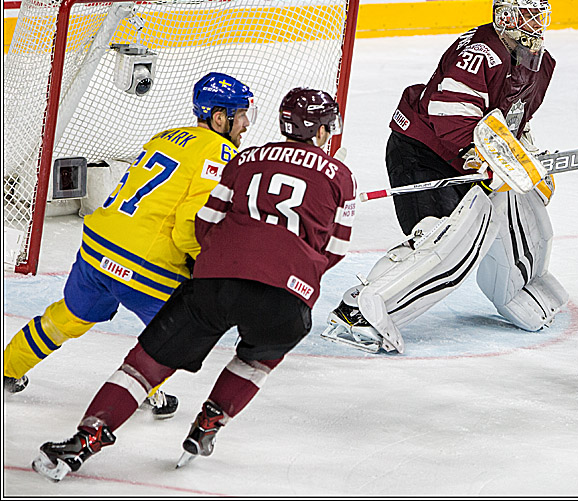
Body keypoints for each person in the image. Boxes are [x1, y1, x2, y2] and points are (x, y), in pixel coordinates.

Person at [31, 87, 357, 481]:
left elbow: (206, 222)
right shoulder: (341, 177)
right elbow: (335, 251)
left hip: (215, 281)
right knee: (259, 355)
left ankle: (86, 439)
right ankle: (210, 420)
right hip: (286, 294)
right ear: (322, 131)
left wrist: (227, 259)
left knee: (144, 366)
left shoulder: (246, 158)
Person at [321, 0, 567, 354]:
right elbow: (449, 115)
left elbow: (515, 121)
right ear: (503, 17)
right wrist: (483, 157)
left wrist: (522, 159)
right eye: (526, 17)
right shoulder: (480, 53)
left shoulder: (540, 64)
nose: (535, 25)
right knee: (438, 239)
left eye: (539, 17)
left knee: (501, 220)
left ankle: (521, 288)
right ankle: (359, 309)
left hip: (467, 161)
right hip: (421, 153)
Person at [3, 72, 254, 420]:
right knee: (171, 337)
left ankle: (7, 367)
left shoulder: (164, 136)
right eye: (241, 115)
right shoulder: (221, 151)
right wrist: (204, 265)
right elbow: (187, 226)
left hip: (98, 245)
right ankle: (145, 389)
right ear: (219, 117)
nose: (245, 124)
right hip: (145, 263)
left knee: (67, 317)